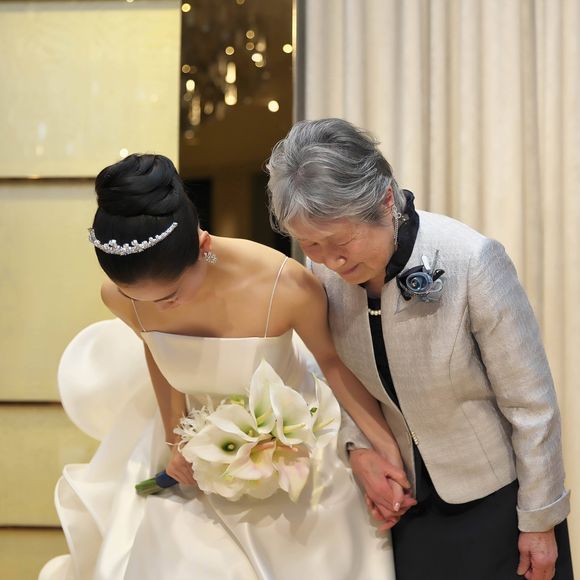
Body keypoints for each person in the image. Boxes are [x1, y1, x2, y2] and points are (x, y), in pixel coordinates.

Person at [40, 153, 410, 580]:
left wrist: (383, 447)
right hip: (197, 463)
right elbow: (157, 355)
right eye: (137, 298)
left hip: (298, 457)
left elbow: (334, 364)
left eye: (170, 294)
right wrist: (176, 440)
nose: (161, 308)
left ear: (204, 248)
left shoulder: (283, 285)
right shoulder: (118, 297)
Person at [266, 118, 574, 580]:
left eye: (341, 242)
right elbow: (332, 372)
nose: (331, 260)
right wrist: (358, 449)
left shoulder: (471, 261)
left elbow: (531, 404)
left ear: (385, 201)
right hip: (404, 507)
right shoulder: (323, 275)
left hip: (496, 504)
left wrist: (540, 519)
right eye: (311, 244)